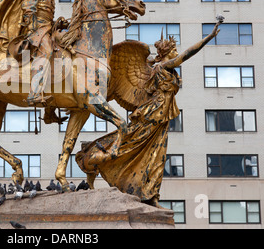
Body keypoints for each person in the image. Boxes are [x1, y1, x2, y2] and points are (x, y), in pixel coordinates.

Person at [76, 17, 224, 207]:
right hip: (151, 116)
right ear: (165, 55)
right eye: (173, 52)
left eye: (175, 51)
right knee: (128, 146)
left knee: (156, 159)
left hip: (162, 120)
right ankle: (94, 155)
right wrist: (209, 37)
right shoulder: (161, 67)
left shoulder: (167, 71)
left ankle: (150, 196)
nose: (176, 54)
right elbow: (185, 55)